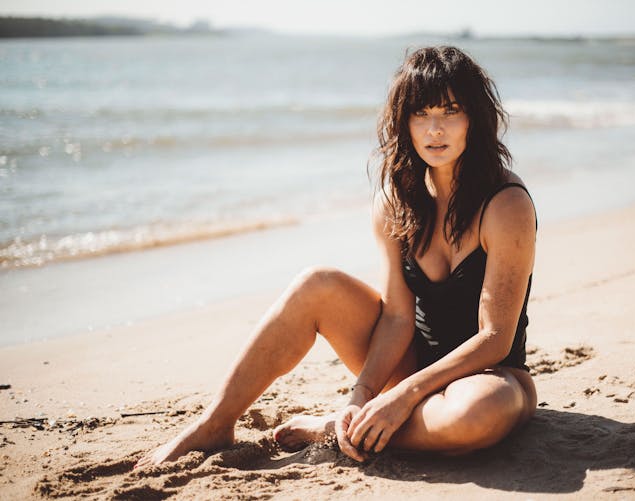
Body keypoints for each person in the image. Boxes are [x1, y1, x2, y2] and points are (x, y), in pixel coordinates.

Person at [136, 45, 537, 468]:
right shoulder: (396, 202)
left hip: (488, 377)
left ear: (474, 118)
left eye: (450, 111)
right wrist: (362, 394)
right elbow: (398, 318)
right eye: (421, 113)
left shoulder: (505, 204)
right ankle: (215, 422)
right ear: (405, 121)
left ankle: (340, 428)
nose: (435, 129)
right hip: (412, 362)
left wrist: (403, 395)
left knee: (475, 417)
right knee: (317, 284)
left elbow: (495, 339)